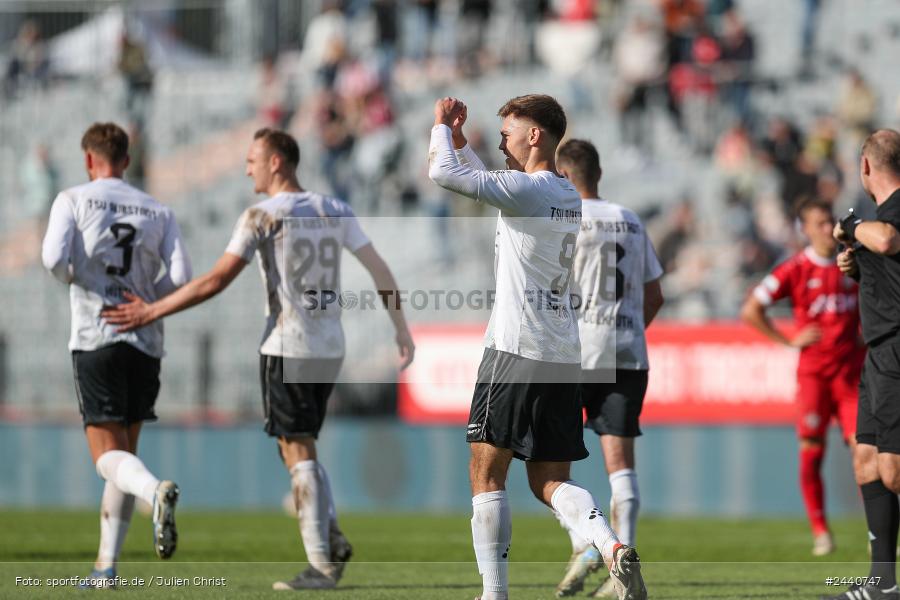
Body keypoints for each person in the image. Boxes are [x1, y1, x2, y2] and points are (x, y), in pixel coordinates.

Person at [101, 128, 415, 591]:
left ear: (276, 162)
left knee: (298, 449)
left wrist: (152, 310)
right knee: (296, 445)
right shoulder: (335, 208)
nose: (247, 169)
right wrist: (400, 326)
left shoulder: (262, 216)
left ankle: (321, 566)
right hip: (330, 345)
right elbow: (378, 267)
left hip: (288, 343)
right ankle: (331, 535)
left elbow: (216, 280)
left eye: (252, 160)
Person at [428, 95, 647, 600]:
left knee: (486, 472)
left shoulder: (527, 190)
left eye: (508, 132)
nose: (501, 141)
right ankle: (610, 544)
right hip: (562, 354)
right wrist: (463, 143)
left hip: (513, 349)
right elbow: (496, 183)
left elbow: (443, 173)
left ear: (534, 136)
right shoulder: (567, 193)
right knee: (549, 479)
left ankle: (494, 594)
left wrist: (441, 127)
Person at [41, 122, 191, 586]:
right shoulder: (158, 209)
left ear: (89, 160)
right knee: (126, 455)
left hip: (97, 334)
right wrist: (147, 303)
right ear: (126, 160)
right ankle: (106, 567)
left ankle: (154, 491)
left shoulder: (72, 198)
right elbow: (182, 276)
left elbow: (52, 258)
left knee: (107, 458)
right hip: (145, 340)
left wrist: (74, 278)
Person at [553, 139, 664, 598]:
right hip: (628, 352)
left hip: (576, 352)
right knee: (621, 465)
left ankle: (585, 543)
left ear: (564, 176)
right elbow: (655, 294)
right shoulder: (630, 219)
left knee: (548, 463)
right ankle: (624, 567)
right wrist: (629, 329)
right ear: (598, 173)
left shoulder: (562, 218)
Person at [741, 197, 864, 557]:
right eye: (820, 223)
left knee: (866, 452)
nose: (828, 229)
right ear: (805, 229)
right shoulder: (794, 269)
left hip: (851, 376)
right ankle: (821, 531)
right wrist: (787, 340)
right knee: (811, 453)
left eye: (830, 221)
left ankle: (879, 533)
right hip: (814, 377)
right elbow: (751, 309)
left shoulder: (853, 262)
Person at [822, 130, 900, 600]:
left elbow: (887, 240)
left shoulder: (890, 214)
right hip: (877, 352)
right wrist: (859, 268)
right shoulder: (881, 218)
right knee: (866, 460)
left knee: (894, 470)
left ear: (866, 167)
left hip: (896, 350)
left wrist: (850, 226)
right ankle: (882, 584)